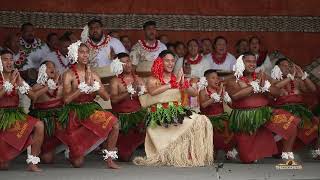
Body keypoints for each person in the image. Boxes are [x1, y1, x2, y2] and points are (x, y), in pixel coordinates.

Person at [134, 50, 213, 167]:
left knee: (201, 120)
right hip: (159, 116)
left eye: (172, 61)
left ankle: (190, 155)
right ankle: (172, 154)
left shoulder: (177, 78)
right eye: (167, 61)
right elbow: (152, 91)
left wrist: (184, 84)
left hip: (177, 114)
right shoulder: (153, 79)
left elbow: (194, 93)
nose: (170, 64)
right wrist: (172, 84)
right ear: (160, 62)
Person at [226, 52, 300, 164]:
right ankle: (237, 150)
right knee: (247, 159)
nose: (252, 64)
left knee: (291, 122)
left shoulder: (263, 76)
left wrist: (267, 87)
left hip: (266, 113)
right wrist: (254, 86)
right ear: (241, 63)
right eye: (248, 61)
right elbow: (235, 96)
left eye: (254, 62)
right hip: (246, 117)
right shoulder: (233, 80)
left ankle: (287, 154)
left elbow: (278, 92)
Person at [56, 41, 120, 168]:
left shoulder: (94, 74)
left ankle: (109, 159)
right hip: (74, 112)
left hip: (91, 108)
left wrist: (97, 88)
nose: (85, 55)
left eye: (87, 52)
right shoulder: (68, 75)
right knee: (77, 163)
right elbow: (66, 100)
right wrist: (82, 88)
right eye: (81, 52)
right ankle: (73, 151)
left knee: (114, 124)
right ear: (75, 54)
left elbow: (106, 97)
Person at [0, 49, 44, 171]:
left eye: (11, 59)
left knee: (39, 125)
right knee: (3, 166)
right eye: (5, 60)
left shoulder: (17, 77)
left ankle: (32, 162)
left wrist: (20, 83)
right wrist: (11, 82)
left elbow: (33, 97)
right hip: (1, 117)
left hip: (15, 114)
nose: (9, 62)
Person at [270, 58, 319, 158]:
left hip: (301, 112)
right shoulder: (273, 81)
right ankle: (285, 151)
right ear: (277, 68)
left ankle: (317, 151)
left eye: (289, 66)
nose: (287, 68)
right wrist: (289, 78)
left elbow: (313, 89)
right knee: (292, 121)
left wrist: (303, 77)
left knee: (316, 122)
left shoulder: (297, 82)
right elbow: (275, 88)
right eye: (284, 65)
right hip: (280, 112)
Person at [109, 53, 147, 161]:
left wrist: (141, 92)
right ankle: (117, 146)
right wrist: (128, 92)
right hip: (122, 118)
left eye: (129, 61)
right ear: (118, 65)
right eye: (124, 62)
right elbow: (114, 99)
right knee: (124, 156)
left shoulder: (138, 79)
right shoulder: (115, 81)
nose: (128, 64)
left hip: (138, 116)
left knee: (152, 122)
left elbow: (146, 96)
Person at [29, 61, 64, 164]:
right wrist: (48, 87)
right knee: (47, 159)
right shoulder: (36, 87)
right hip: (45, 121)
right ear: (42, 70)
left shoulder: (61, 86)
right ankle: (39, 148)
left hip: (59, 120)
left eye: (54, 66)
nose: (52, 68)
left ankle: (67, 148)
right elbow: (34, 100)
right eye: (48, 67)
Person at [199, 69, 236, 158]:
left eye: (217, 78)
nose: (216, 80)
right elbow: (203, 105)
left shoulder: (221, 91)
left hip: (221, 119)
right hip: (208, 120)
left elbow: (232, 106)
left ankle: (228, 150)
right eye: (213, 78)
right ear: (206, 80)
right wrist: (215, 97)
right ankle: (213, 150)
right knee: (212, 155)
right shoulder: (203, 92)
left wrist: (226, 98)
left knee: (228, 130)